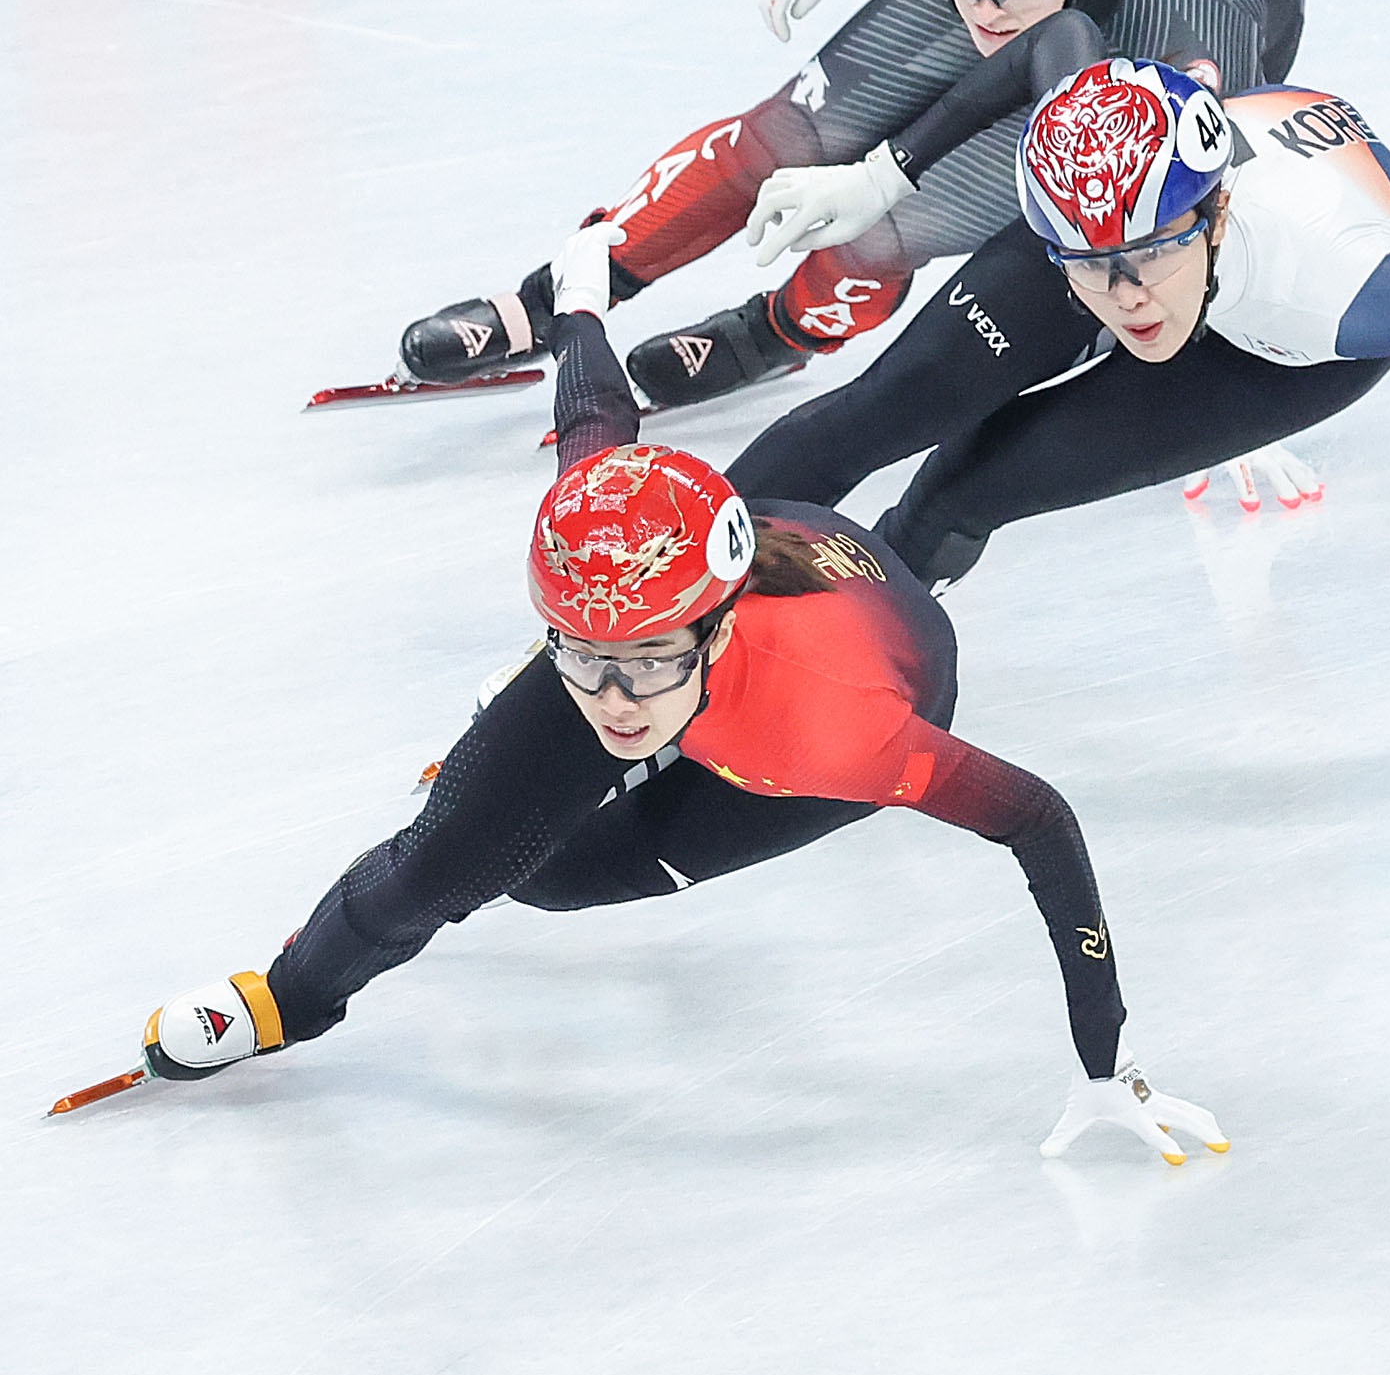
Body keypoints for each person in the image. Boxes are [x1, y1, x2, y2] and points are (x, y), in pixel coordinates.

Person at [131, 223, 1224, 1163]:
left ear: (711, 621)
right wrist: (579, 295)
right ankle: (287, 1001)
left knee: (554, 880)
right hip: (739, 615)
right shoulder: (606, 538)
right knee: (443, 861)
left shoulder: (842, 732)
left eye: (646, 660)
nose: (613, 698)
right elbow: (592, 402)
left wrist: (1101, 1057)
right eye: (576, 649)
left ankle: (654, 732)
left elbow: (1039, 820)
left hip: (848, 676)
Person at [720, 58, 1390, 685]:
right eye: (1093, 271)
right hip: (1146, 208)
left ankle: (834, 652)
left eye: (1146, 261)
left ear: (1216, 216)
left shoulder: (1333, 290)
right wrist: (885, 179)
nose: (1125, 298)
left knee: (964, 486)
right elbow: (1044, 49)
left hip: (1281, 353)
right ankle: (660, 587)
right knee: (879, 414)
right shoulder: (1094, 212)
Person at [396, 0, 1297, 411]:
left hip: (1145, 39)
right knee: (780, 141)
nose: (982, 11)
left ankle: (773, 334)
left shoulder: (1191, 46)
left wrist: (1220, 359)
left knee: (883, 233)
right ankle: (550, 296)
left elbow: (1222, 206)